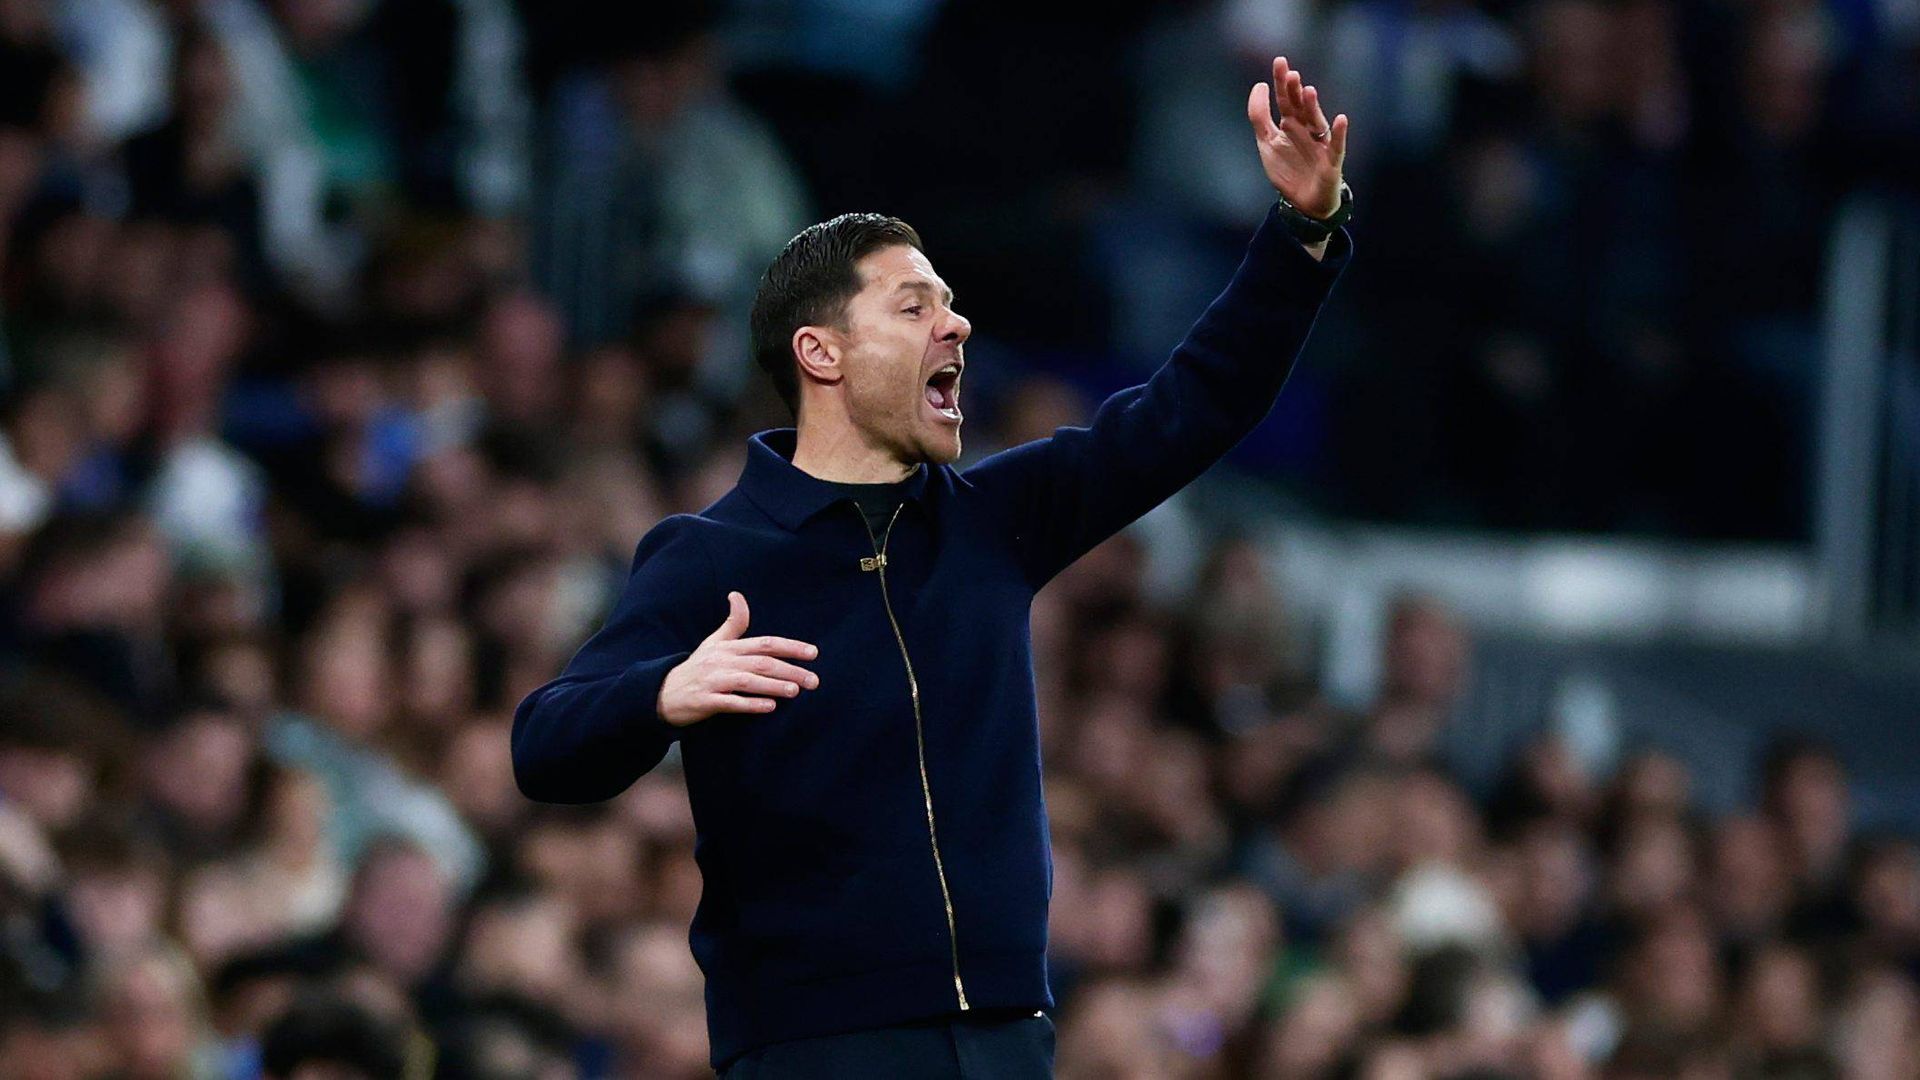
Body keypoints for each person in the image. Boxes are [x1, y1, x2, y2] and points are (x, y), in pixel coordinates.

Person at [511, 57, 1354, 1078]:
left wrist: (1301, 233)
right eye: (914, 308)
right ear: (821, 354)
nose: (956, 324)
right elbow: (544, 747)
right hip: (817, 1050)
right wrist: (661, 692)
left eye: (950, 305)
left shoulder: (997, 519)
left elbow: (1195, 405)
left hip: (1006, 1037)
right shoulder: (710, 556)